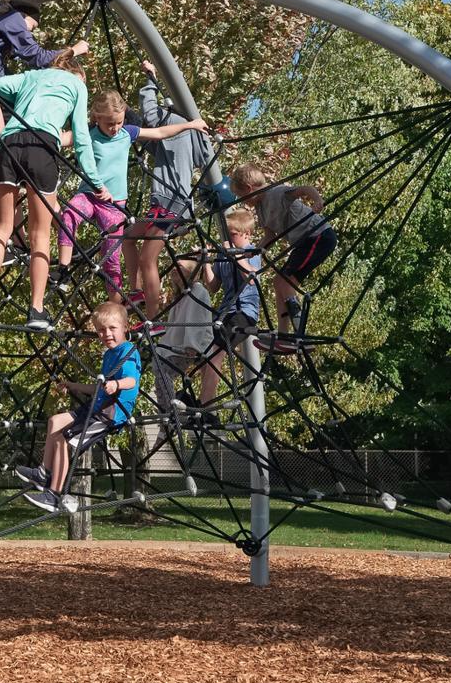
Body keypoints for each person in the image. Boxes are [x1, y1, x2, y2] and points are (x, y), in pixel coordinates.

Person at [0, 0, 89, 246]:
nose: (29, 31)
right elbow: (37, 56)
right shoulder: (12, 18)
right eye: (32, 27)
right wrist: (73, 50)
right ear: (25, 17)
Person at [0, 49, 95, 332]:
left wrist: (25, 94)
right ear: (77, 76)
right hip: (42, 147)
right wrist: (94, 180)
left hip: (8, 145)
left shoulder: (33, 75)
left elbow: (0, 86)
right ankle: (36, 309)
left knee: (1, 225)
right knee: (40, 234)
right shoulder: (76, 85)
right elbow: (82, 136)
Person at [53, 89, 209, 301]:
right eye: (110, 124)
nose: (115, 128)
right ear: (96, 117)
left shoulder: (127, 133)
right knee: (70, 213)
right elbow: (60, 139)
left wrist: (190, 125)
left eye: (119, 122)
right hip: (89, 195)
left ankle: (117, 307)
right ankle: (63, 269)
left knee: (111, 260)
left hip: (114, 205)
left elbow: (160, 133)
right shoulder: (87, 133)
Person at [13, 302, 141, 513]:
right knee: (55, 421)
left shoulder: (127, 351)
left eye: (112, 328)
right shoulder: (109, 354)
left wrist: (116, 384)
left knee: (64, 439)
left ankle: (54, 495)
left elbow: (131, 381)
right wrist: (73, 386)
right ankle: (43, 473)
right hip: (97, 406)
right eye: (101, 330)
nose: (106, 334)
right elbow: (98, 387)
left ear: (126, 327)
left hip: (110, 414)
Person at [125, 60, 216, 328]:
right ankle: (138, 291)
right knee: (128, 237)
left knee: (147, 258)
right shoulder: (187, 131)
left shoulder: (174, 122)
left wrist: (148, 80)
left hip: (172, 203)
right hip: (166, 203)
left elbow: (152, 117)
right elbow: (200, 157)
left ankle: (155, 319)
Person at [167, 205, 261, 422]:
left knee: (215, 355)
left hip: (243, 313)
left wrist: (232, 254)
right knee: (203, 356)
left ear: (246, 234)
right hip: (224, 313)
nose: (228, 239)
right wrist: (208, 260)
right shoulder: (223, 254)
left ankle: (207, 409)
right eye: (226, 236)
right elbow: (213, 286)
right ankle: (201, 404)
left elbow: (250, 274)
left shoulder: (251, 251)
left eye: (233, 235)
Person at [232, 163, 337, 338]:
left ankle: (299, 331)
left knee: (285, 280)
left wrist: (317, 200)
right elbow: (270, 236)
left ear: (249, 189)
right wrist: (255, 250)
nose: (242, 201)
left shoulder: (277, 192)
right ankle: (284, 333)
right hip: (303, 243)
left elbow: (305, 189)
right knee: (278, 282)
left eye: (241, 196)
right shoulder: (260, 209)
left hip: (317, 236)